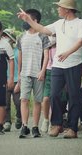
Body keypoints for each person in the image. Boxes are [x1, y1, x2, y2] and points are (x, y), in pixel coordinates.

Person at [17, 0, 82, 139]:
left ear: (67, 9)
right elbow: (42, 29)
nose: (57, 9)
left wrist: (68, 52)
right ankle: (56, 124)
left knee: (73, 96)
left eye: (59, 7)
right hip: (57, 65)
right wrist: (28, 19)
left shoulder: (81, 23)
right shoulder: (58, 23)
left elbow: (81, 41)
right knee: (54, 94)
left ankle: (72, 128)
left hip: (74, 64)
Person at [16, 9, 50, 138]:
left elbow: (46, 55)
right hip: (25, 73)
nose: (25, 21)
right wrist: (19, 74)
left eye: (27, 18)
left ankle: (35, 127)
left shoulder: (42, 36)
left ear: (35, 21)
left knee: (37, 101)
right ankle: (25, 126)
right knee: (24, 99)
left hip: (38, 73)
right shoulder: (21, 37)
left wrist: (43, 70)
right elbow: (20, 56)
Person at [0, 19, 15, 135]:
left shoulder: (5, 44)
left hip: (1, 77)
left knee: (1, 102)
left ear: (0, 31)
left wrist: (10, 78)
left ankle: (0, 125)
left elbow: (11, 61)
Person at [2, 28, 22, 132]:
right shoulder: (1, 51)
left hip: (16, 81)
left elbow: (21, 67)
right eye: (3, 36)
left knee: (18, 102)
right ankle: (7, 122)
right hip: (4, 80)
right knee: (5, 103)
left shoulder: (17, 52)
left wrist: (20, 81)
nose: (5, 38)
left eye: (7, 37)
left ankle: (19, 116)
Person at [40, 34, 57, 133]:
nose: (52, 38)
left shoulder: (61, 47)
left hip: (57, 71)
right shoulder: (46, 48)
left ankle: (53, 121)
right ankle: (46, 119)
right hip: (48, 72)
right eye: (50, 36)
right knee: (46, 98)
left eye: (54, 36)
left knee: (55, 98)